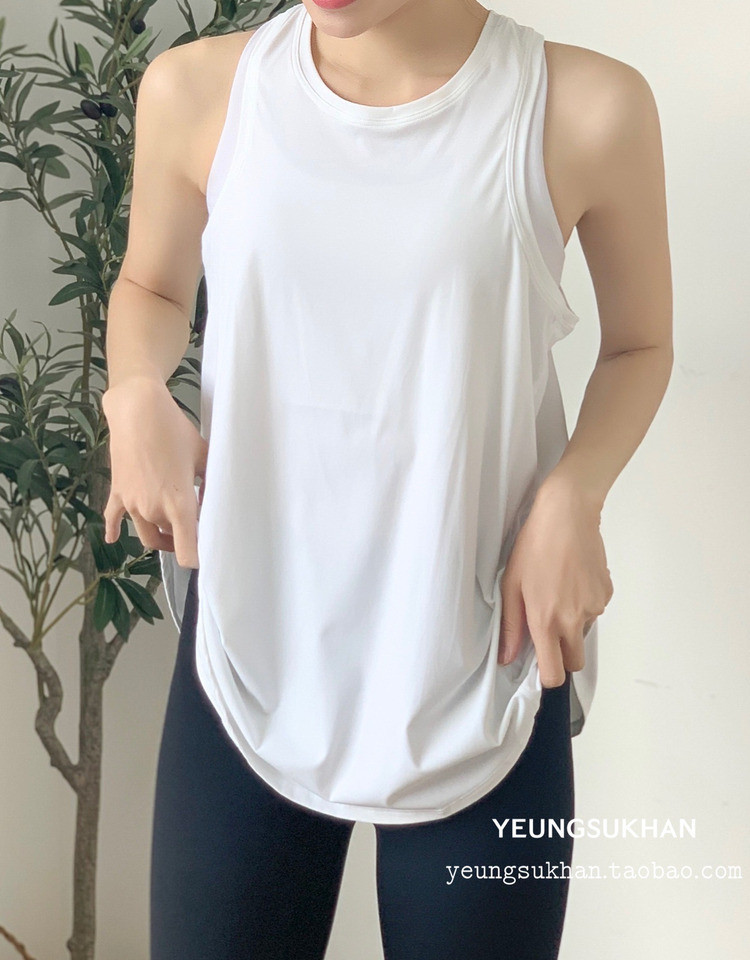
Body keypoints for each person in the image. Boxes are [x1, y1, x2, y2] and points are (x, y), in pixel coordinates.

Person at [101, 1, 673, 957]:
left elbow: (640, 346)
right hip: (251, 644)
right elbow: (151, 287)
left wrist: (576, 491)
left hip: (483, 648)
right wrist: (133, 392)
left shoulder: (584, 107)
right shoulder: (199, 89)